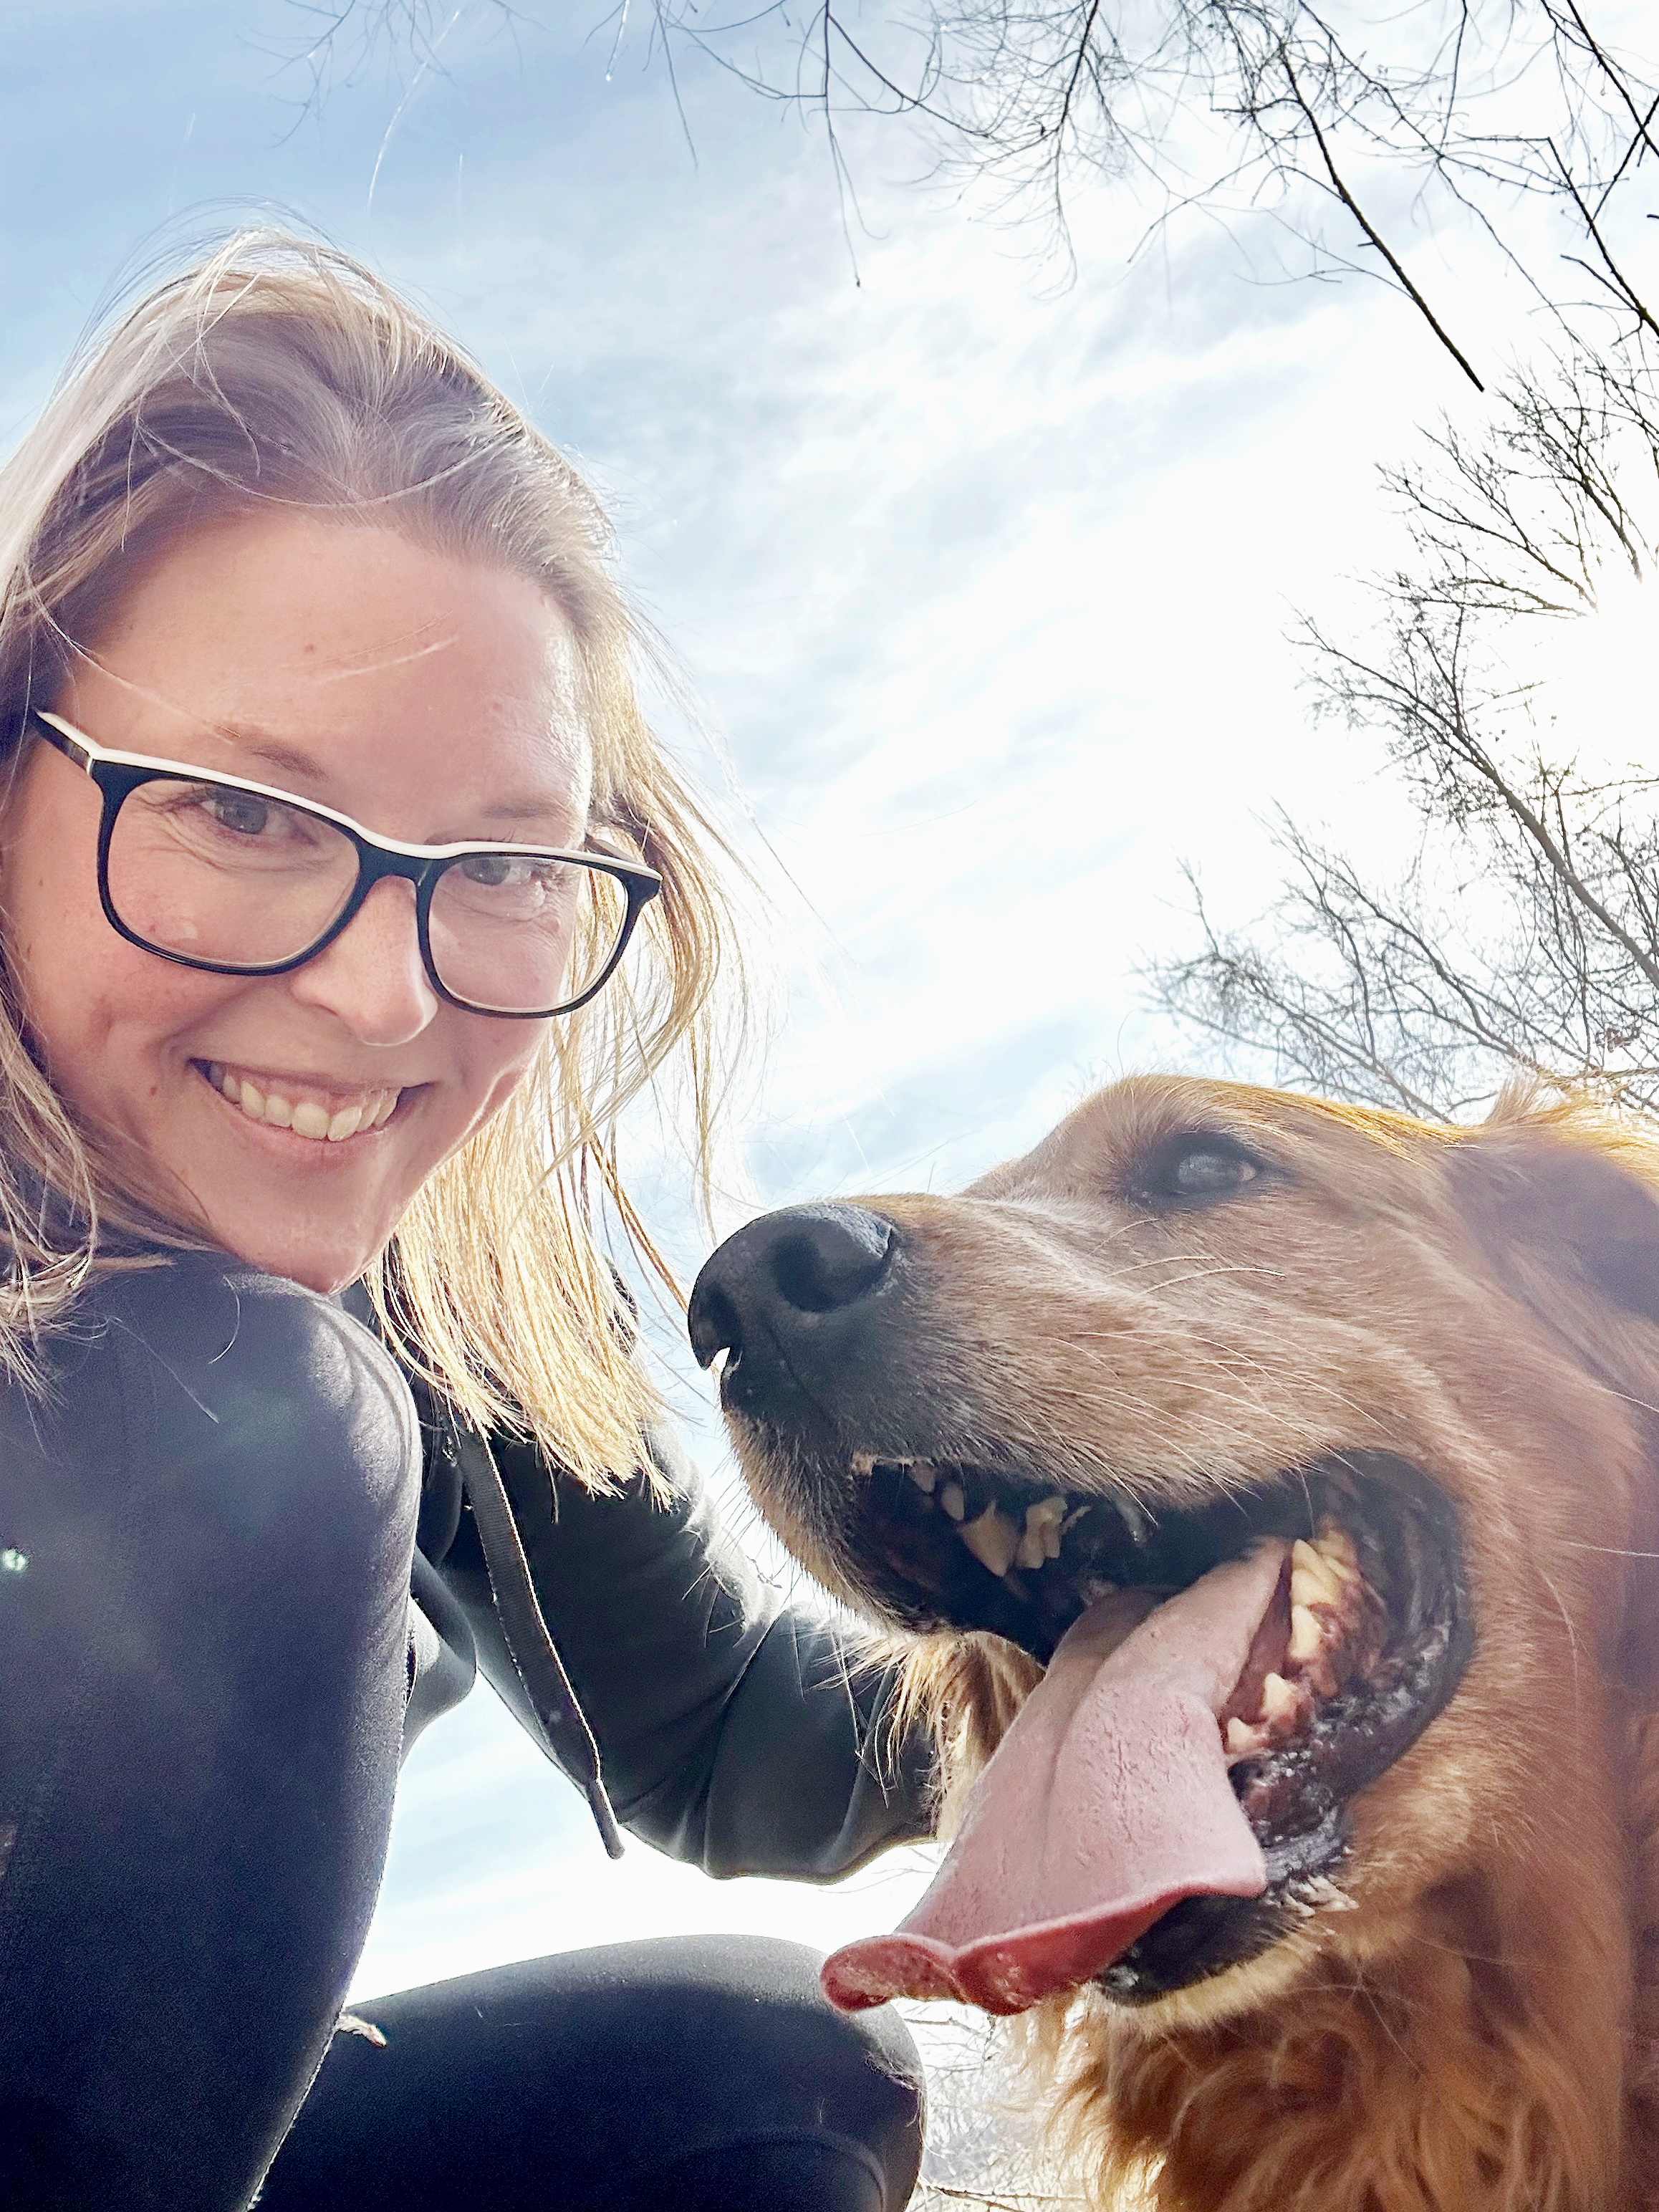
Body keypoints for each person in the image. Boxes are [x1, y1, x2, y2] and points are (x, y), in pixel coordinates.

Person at [0, 234, 933, 2212]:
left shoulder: (416, 1298)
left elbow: (728, 1748)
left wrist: (1146, 1635)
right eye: (239, 813)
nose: (377, 999)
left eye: (504, 860)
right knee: (241, 1418)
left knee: (762, 2073)